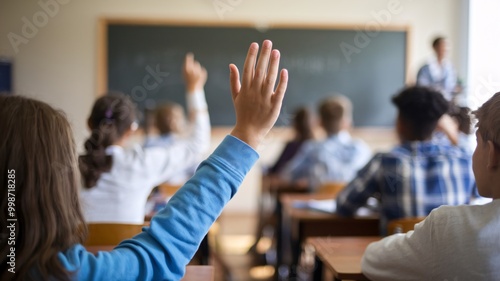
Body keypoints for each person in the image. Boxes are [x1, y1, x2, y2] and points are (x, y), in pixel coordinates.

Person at [0, 40, 288, 280]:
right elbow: (159, 252)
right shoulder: (61, 271)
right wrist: (242, 129)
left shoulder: (76, 167)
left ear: (90, 123)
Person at [361, 92, 500, 280]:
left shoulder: (448, 228)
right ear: (438, 125)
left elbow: (345, 206)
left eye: (477, 143)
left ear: (492, 154)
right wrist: (453, 137)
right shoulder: (460, 158)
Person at [79, 53, 210, 224]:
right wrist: (195, 90)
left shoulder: (66, 168)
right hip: (129, 251)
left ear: (89, 124)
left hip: (78, 251)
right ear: (130, 131)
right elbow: (197, 144)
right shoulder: (142, 163)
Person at [336, 86, 477, 231]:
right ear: (438, 125)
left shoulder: (385, 161)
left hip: (399, 253)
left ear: (400, 124)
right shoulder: (465, 160)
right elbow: (480, 197)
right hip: (452, 253)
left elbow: (344, 205)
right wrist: (453, 134)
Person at [280, 95, 371, 190]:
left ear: (320, 122)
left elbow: (286, 174)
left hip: (316, 202)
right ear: (347, 122)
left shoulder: (311, 148)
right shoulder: (360, 149)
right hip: (351, 202)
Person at [267, 106, 314, 175]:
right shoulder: (315, 146)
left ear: (296, 124)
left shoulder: (292, 145)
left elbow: (276, 168)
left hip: (285, 183)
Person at [416, 36, 460, 101]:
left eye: (446, 46)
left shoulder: (450, 68)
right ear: (434, 47)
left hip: (446, 103)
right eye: (442, 46)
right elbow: (421, 87)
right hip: (429, 103)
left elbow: (451, 86)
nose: (444, 49)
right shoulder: (425, 69)